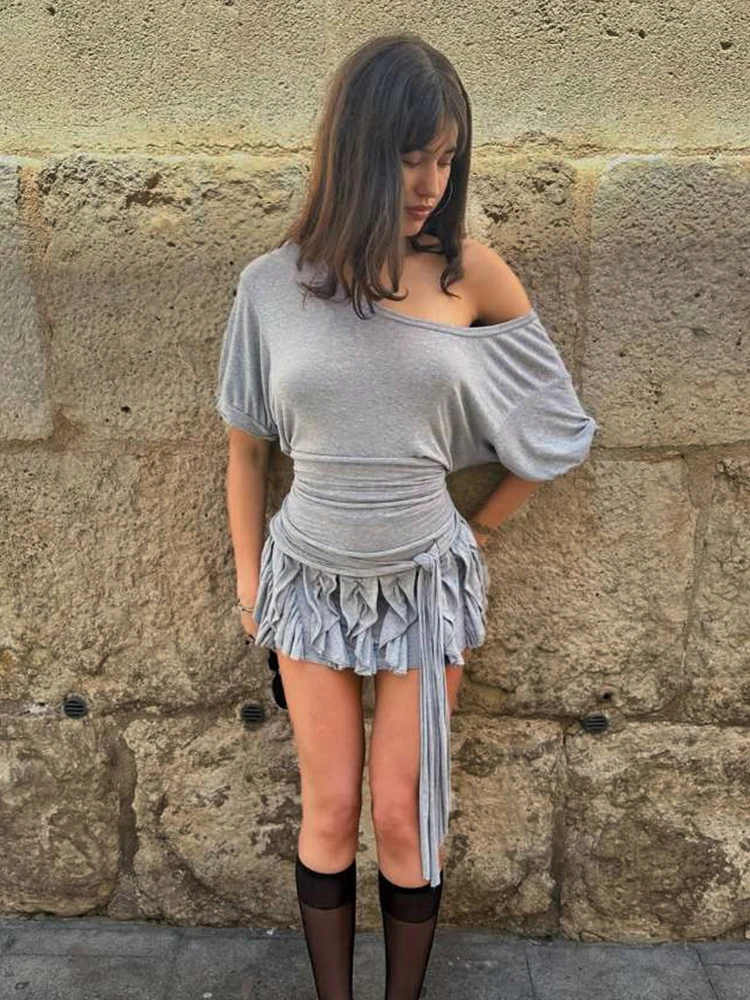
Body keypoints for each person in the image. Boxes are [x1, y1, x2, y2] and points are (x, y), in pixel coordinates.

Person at [214, 31, 598, 1000]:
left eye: (446, 158)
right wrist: (252, 585)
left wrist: (480, 528)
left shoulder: (472, 273)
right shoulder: (271, 286)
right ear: (355, 150)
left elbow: (555, 427)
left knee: (402, 813)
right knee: (328, 808)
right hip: (307, 582)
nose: (430, 183)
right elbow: (246, 449)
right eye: (408, 156)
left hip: (426, 587)